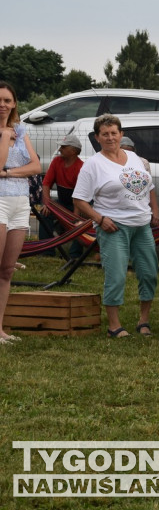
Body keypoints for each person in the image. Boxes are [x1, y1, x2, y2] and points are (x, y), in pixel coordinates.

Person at [73, 114, 159, 339]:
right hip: (113, 226)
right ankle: (114, 325)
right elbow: (79, 200)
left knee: (149, 273)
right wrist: (100, 219)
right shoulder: (93, 164)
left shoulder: (134, 158)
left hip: (142, 225)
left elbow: (149, 185)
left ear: (121, 135)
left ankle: (144, 320)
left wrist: (155, 212)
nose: (110, 137)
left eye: (114, 133)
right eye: (105, 134)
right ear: (97, 138)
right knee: (116, 275)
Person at [0, 82, 41, 344]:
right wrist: (4, 138)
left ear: (14, 103)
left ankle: (0, 329)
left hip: (20, 203)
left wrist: (8, 173)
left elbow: (36, 166)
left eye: (7, 100)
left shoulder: (21, 129)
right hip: (0, 202)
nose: (2, 105)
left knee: (6, 271)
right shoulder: (7, 134)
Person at [39, 133, 84, 260]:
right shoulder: (57, 161)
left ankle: (74, 255)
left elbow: (79, 196)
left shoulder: (80, 167)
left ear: (74, 151)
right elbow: (46, 184)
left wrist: (75, 216)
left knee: (78, 222)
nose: (60, 149)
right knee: (45, 214)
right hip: (64, 201)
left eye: (63, 147)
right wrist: (47, 204)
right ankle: (47, 251)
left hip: (79, 202)